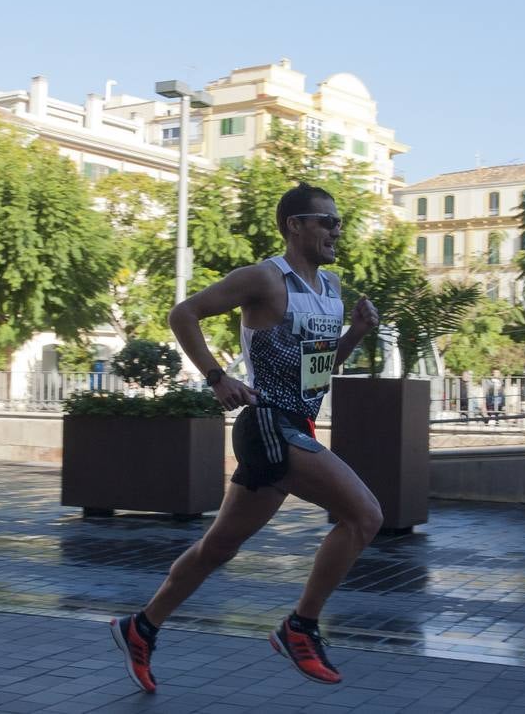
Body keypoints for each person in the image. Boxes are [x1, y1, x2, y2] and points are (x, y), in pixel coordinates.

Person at [109, 183, 381, 693]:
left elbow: (315, 376)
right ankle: (299, 628)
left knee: (218, 547)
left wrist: (356, 333)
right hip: (267, 425)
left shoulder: (332, 289)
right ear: (294, 226)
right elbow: (181, 314)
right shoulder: (262, 278)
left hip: (296, 426)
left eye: (338, 222)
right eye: (325, 221)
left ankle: (139, 627)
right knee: (365, 515)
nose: (336, 230)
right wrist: (217, 377)